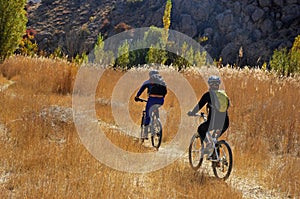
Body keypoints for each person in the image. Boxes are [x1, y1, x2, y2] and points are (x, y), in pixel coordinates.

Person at [188, 75, 230, 152]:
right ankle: (216, 161)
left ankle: (208, 144)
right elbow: (227, 106)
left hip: (213, 123)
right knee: (215, 140)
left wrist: (192, 113)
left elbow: (199, 106)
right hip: (225, 123)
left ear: (209, 84)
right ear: (218, 85)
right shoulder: (223, 95)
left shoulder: (208, 95)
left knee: (200, 129)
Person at [134, 70, 167, 140]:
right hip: (161, 100)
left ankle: (145, 134)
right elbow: (165, 92)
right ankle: (158, 126)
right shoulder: (162, 82)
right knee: (156, 109)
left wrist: (137, 97)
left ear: (150, 76)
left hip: (152, 99)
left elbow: (141, 90)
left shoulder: (148, 82)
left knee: (147, 114)